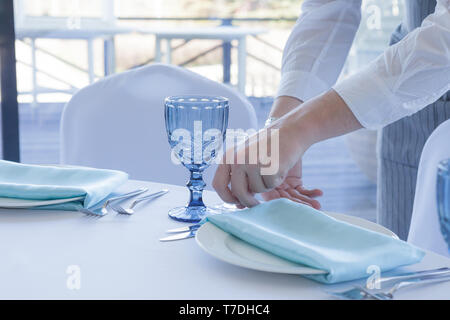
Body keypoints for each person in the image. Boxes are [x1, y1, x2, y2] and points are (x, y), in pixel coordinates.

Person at [212, 0, 450, 240]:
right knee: (398, 266)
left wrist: (297, 129)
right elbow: (328, 8)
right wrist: (281, 124)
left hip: (414, 75)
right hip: (405, 119)